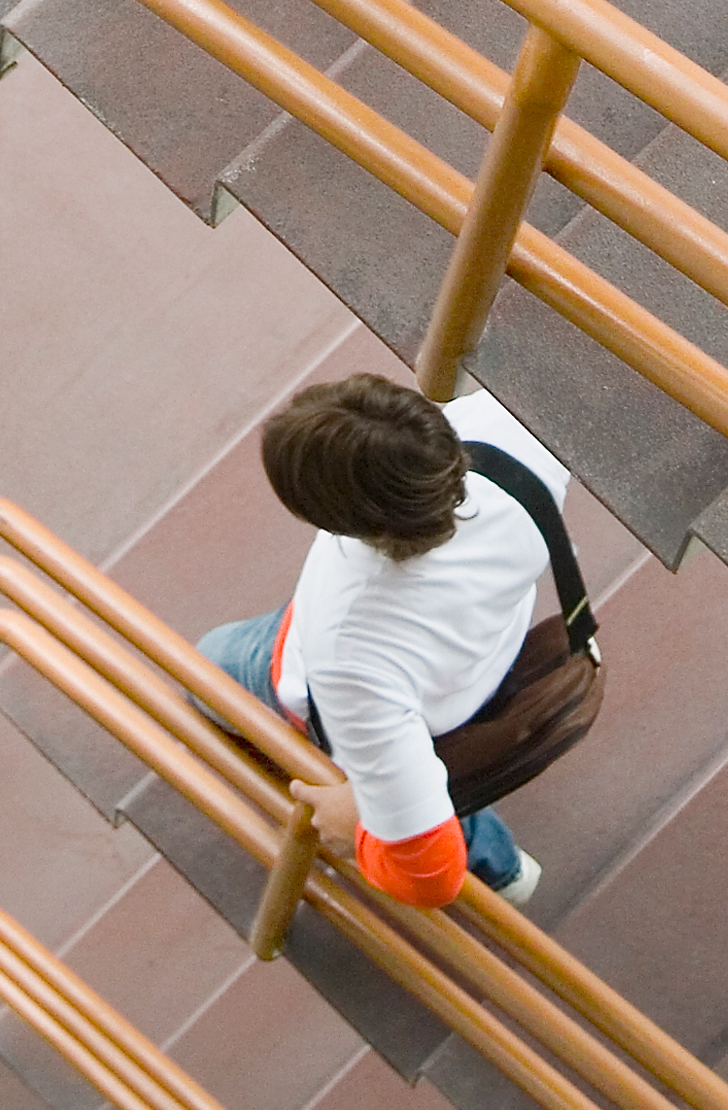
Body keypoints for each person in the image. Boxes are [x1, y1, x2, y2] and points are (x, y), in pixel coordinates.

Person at [198, 373, 569, 911]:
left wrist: (360, 833)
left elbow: (430, 879)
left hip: (378, 694)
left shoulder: (350, 657)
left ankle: (492, 859)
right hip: (484, 655)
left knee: (207, 669)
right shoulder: (513, 431)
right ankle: (501, 869)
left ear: (343, 523)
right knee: (417, 779)